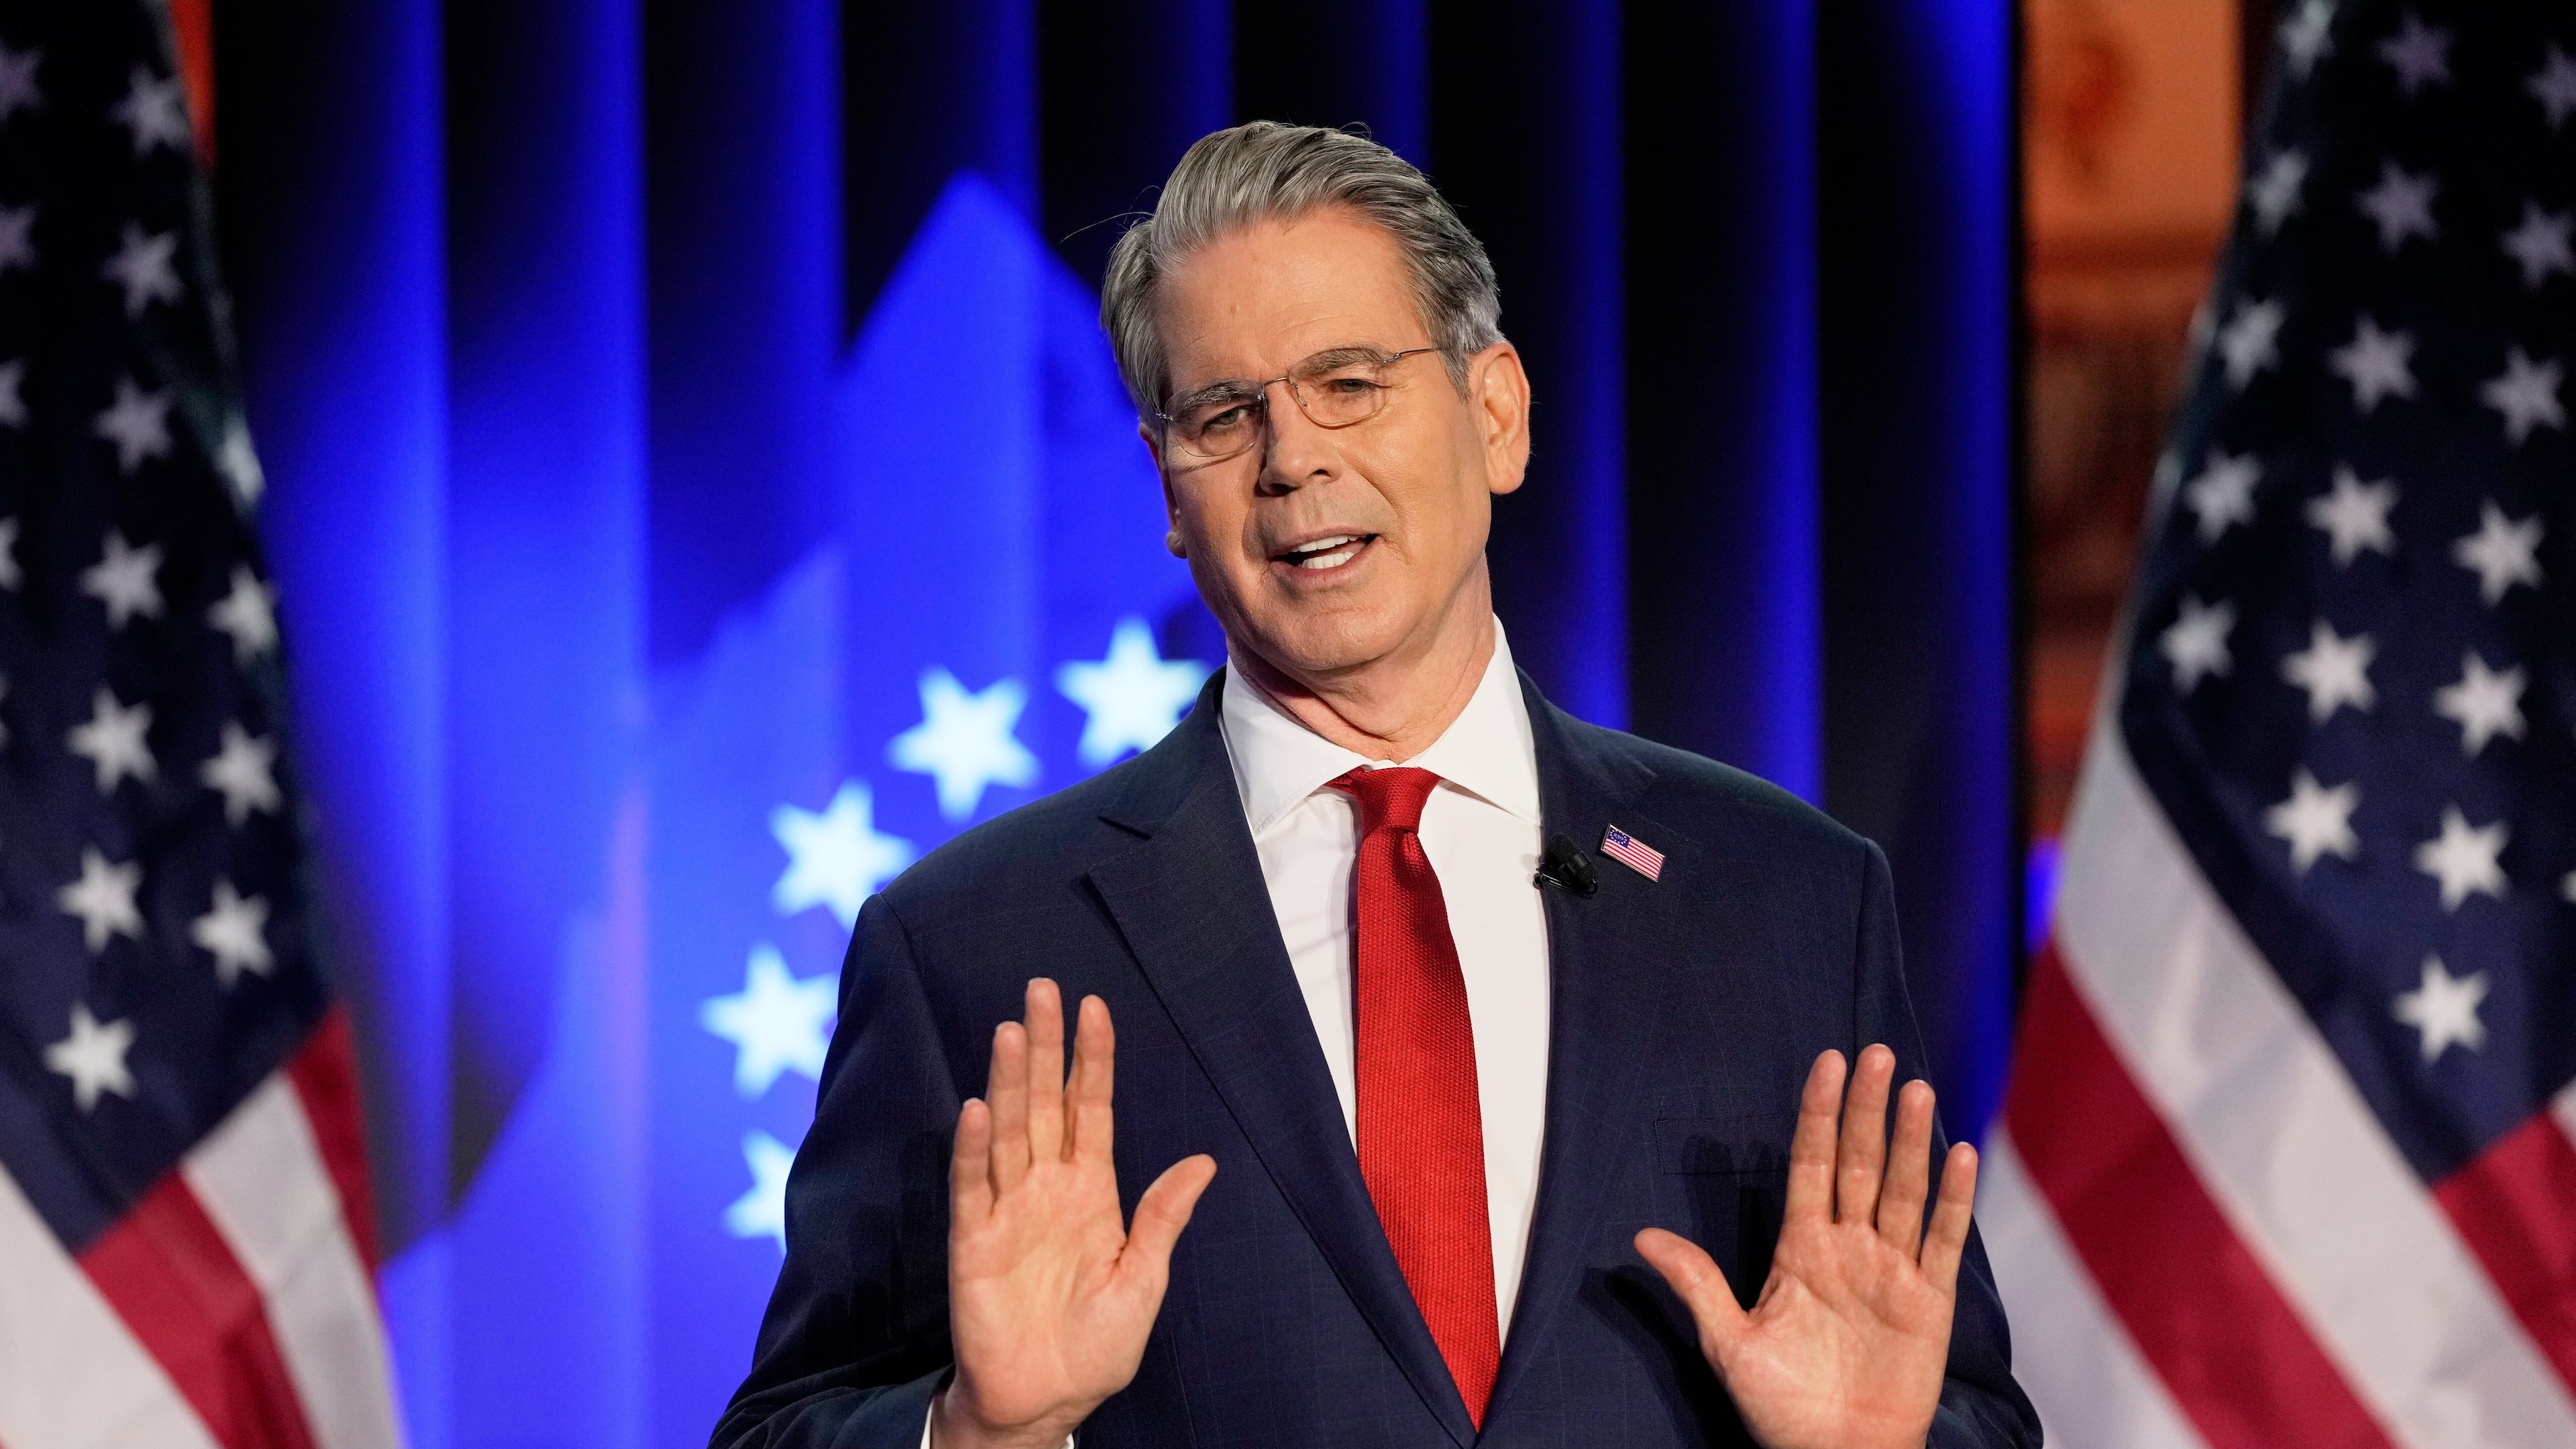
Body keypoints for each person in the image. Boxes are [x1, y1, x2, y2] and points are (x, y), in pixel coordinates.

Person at [710, 121, 2037, 1449]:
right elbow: (786, 1428)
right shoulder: (973, 948)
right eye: (1225, 415)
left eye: (1348, 383)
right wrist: (981, 1433)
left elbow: (1967, 1410)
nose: (1292, 460)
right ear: (1169, 494)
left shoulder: (1790, 900)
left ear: (1496, 413)